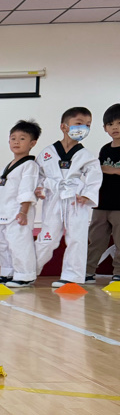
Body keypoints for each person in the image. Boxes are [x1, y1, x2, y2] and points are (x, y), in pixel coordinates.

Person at [34, 106, 102, 287]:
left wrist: (87, 195)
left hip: (76, 199)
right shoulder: (47, 152)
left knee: (77, 238)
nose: (84, 128)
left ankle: (72, 276)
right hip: (54, 198)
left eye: (88, 125)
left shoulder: (86, 155)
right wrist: (39, 188)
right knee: (47, 238)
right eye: (79, 123)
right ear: (64, 127)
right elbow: (37, 174)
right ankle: (27, 272)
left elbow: (95, 176)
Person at [0, 120, 40, 288]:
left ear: (32, 143)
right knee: (3, 244)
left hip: (17, 213)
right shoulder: (8, 166)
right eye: (13, 138)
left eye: (22, 138)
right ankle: (7, 272)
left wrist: (23, 211)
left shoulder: (30, 165)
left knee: (19, 244)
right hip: (3, 212)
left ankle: (24, 275)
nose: (16, 142)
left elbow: (26, 189)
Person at [85, 103, 120, 284]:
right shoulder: (105, 149)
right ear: (105, 128)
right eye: (110, 124)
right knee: (95, 239)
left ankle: (118, 272)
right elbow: (97, 172)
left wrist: (111, 170)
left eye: (119, 123)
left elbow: (105, 169)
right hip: (101, 203)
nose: (115, 127)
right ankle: (88, 271)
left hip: (119, 206)